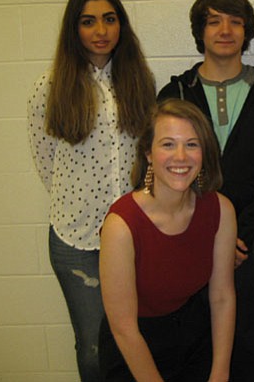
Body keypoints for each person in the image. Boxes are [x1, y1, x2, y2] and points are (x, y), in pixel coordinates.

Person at [157, 0, 254, 381]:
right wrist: (208, 237)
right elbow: (165, 177)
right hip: (187, 245)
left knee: (250, 356)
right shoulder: (174, 94)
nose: (225, 30)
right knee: (192, 355)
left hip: (252, 248)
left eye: (235, 21)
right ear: (200, 31)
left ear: (247, 31)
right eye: (214, 21)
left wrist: (240, 237)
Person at [27, 0, 154, 381]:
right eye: (88, 21)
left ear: (121, 25)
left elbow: (148, 153)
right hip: (76, 239)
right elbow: (46, 160)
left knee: (134, 337)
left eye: (109, 18)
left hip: (136, 235)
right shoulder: (50, 87)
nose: (101, 29)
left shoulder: (140, 81)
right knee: (94, 344)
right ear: (74, 29)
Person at [98, 99, 236, 381]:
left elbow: (222, 297)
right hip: (134, 346)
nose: (181, 156)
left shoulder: (220, 209)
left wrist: (220, 373)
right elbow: (124, 328)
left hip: (193, 337)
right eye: (168, 144)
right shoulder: (121, 225)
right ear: (148, 153)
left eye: (192, 144)